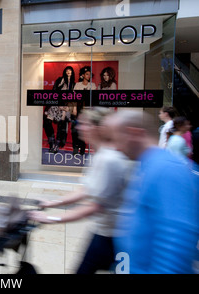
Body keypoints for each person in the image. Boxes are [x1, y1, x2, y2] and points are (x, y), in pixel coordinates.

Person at [29, 107, 132, 274]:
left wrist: (50, 218)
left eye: (84, 124)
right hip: (105, 231)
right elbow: (87, 190)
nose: (78, 127)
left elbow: (94, 207)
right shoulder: (99, 155)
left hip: (118, 237)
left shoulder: (109, 159)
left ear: (98, 128)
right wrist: (53, 202)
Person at [109, 110, 198, 273]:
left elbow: (173, 252)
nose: (116, 147)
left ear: (133, 133)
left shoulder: (167, 170)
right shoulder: (146, 166)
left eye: (116, 139)